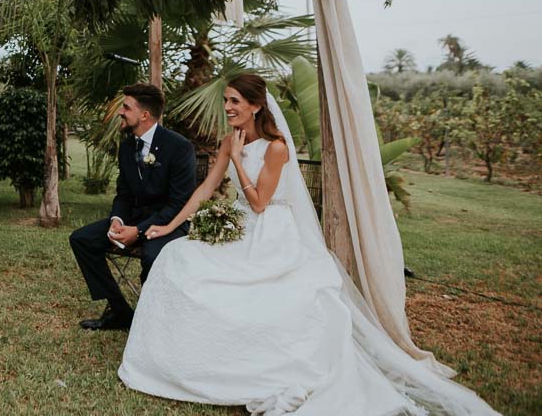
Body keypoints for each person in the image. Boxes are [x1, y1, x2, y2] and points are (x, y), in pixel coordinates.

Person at [118, 74, 499, 415]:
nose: (228, 107)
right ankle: (182, 361)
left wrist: (237, 157)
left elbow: (260, 203)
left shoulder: (276, 147)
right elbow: (204, 188)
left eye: (235, 101)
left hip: (270, 232)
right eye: (227, 100)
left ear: (255, 106)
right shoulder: (227, 141)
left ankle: (250, 364)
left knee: (253, 293)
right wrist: (170, 223)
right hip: (239, 226)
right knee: (176, 258)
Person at [69, 83, 196, 331]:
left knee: (153, 255)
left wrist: (137, 231)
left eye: (126, 107)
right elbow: (124, 194)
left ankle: (152, 323)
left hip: (169, 224)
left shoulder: (179, 147)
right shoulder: (128, 146)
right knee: (81, 239)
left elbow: (178, 203)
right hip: (134, 219)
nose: (120, 112)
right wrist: (117, 220)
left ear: (145, 115)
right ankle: (119, 312)